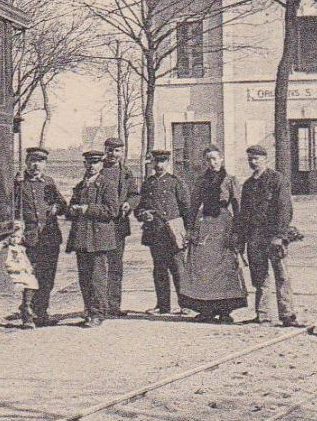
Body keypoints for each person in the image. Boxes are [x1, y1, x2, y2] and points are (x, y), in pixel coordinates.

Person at [178, 146, 247, 323]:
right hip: (204, 226)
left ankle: (224, 311)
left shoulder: (230, 180)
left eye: (215, 158)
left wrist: (237, 232)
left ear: (222, 159)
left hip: (223, 225)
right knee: (204, 268)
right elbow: (193, 206)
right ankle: (206, 309)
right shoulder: (200, 181)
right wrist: (191, 230)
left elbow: (238, 208)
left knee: (224, 267)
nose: (212, 162)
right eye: (208, 159)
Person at [237, 144, 300, 326]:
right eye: (250, 159)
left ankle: (287, 315)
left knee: (281, 275)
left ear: (265, 159)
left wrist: (279, 236)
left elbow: (284, 209)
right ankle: (263, 314)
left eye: (256, 158)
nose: (253, 162)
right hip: (254, 237)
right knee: (259, 276)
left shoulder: (277, 180)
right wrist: (241, 238)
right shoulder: (248, 185)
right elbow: (243, 214)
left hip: (273, 236)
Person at [66, 149, 122, 327]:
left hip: (99, 239)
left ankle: (98, 313)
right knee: (84, 278)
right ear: (84, 164)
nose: (91, 166)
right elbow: (70, 209)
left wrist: (87, 209)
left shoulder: (107, 184)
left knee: (98, 277)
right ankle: (88, 311)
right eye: (89, 163)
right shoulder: (80, 185)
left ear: (101, 164)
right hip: (82, 238)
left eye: (96, 163)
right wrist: (72, 210)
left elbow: (112, 211)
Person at [16, 146, 68, 327]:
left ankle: (42, 312)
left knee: (47, 276)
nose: (36, 165)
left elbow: (63, 204)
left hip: (50, 237)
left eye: (40, 161)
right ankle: (27, 314)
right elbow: (11, 209)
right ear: (26, 163)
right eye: (32, 161)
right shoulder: (19, 183)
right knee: (30, 276)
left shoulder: (49, 182)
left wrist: (57, 207)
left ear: (45, 164)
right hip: (28, 237)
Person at [135, 149, 190, 314]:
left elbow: (186, 209)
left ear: (168, 163)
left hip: (173, 233)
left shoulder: (176, 182)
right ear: (152, 163)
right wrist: (142, 214)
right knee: (159, 269)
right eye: (156, 162)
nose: (159, 165)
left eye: (163, 161)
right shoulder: (147, 184)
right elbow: (139, 207)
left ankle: (186, 305)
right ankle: (163, 305)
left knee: (178, 269)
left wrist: (187, 232)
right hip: (155, 233)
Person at [100, 136, 139, 316]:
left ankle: (114, 306)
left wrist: (129, 204)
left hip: (118, 226)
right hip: (101, 225)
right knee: (100, 267)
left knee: (116, 266)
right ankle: (99, 306)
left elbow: (135, 195)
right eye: (110, 150)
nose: (113, 154)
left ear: (122, 153)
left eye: (117, 151)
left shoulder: (126, 173)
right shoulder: (97, 170)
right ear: (105, 151)